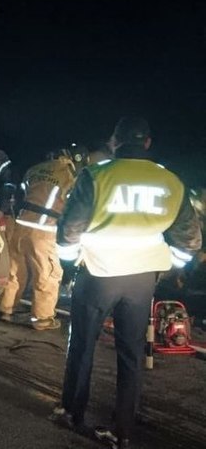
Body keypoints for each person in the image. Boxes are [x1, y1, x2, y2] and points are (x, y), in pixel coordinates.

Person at [53, 117, 201, 448]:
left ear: (115, 142)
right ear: (147, 142)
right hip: (141, 279)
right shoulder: (171, 181)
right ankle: (122, 431)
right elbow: (189, 241)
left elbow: (70, 229)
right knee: (132, 354)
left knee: (82, 347)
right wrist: (167, 269)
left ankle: (71, 412)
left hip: (99, 273)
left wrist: (68, 261)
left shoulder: (97, 175)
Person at [0, 145, 88, 330]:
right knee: (47, 275)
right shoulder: (70, 176)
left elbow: (21, 194)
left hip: (19, 226)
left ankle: (5, 310)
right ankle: (42, 319)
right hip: (44, 230)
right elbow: (73, 206)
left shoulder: (36, 169)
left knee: (15, 271)